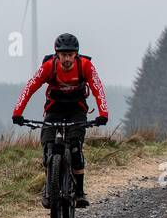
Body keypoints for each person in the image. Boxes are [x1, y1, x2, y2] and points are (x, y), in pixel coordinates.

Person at [12, 33, 110, 208]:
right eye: (63, 54)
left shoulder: (85, 66)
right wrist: (17, 112)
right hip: (54, 109)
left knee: (75, 147)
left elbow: (97, 88)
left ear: (76, 54)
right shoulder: (49, 67)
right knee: (48, 146)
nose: (67, 58)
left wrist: (103, 113)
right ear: (57, 54)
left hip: (77, 109)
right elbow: (30, 87)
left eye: (70, 54)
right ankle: (50, 188)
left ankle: (79, 192)